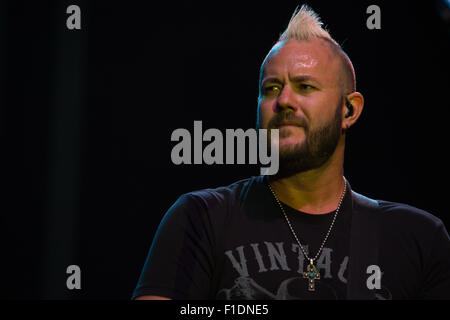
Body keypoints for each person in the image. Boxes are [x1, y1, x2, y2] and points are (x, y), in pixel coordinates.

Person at [132, 5, 450, 300]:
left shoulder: (418, 239)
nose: (284, 100)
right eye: (271, 88)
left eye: (304, 86)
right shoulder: (200, 218)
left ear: (349, 110)